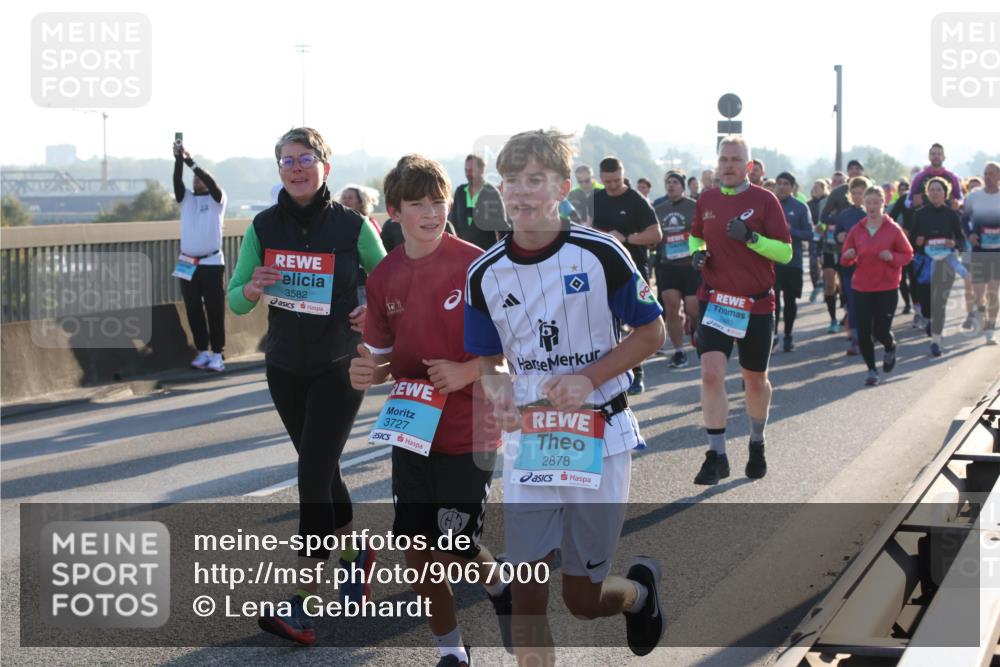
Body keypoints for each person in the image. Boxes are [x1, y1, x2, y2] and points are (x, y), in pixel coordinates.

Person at [464, 129, 666, 665]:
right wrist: (500, 393)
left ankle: (638, 594)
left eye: (535, 180)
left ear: (559, 187)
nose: (522, 192)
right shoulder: (483, 273)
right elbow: (489, 362)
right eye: (512, 181)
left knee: (582, 600)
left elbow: (652, 334)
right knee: (527, 594)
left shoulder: (601, 254)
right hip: (531, 443)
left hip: (600, 434)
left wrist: (588, 378)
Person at [227, 127, 386, 645]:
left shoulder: (354, 225)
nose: (296, 168)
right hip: (285, 366)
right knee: (322, 467)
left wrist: (373, 309)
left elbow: (390, 283)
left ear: (325, 166)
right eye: (286, 160)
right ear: (278, 169)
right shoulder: (263, 225)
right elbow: (235, 298)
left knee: (312, 471)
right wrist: (251, 286)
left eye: (305, 158)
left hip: (341, 363)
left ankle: (305, 600)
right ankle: (354, 552)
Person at [351, 155, 511, 666]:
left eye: (437, 201)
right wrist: (365, 375)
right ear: (394, 211)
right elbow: (379, 361)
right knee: (419, 553)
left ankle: (501, 585)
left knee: (457, 549)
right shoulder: (383, 278)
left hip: (472, 427)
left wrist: (467, 372)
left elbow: (516, 348)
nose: (430, 212)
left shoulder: (477, 264)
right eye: (417, 204)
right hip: (413, 429)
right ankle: (452, 653)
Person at [689, 135, 792, 485]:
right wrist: (697, 253)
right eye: (723, 160)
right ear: (717, 164)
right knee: (711, 374)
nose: (728, 165)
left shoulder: (765, 201)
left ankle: (757, 441)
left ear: (748, 166)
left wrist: (752, 238)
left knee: (754, 380)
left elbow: (786, 253)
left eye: (735, 160)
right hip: (716, 300)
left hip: (756, 304)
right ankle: (716, 454)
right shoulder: (706, 199)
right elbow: (696, 236)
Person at [593, 156, 663, 394]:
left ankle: (637, 372)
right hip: (600, 270)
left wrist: (626, 238)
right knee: (604, 321)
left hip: (633, 268)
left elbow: (656, 234)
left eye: (616, 180)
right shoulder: (595, 199)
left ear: (622, 175)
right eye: (608, 181)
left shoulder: (636, 200)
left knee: (638, 324)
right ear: (600, 178)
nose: (612, 185)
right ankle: (607, 370)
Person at [840, 186, 913, 385]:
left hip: (886, 287)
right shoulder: (858, 229)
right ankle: (872, 370)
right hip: (862, 287)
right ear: (863, 204)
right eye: (868, 202)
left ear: (883, 203)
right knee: (863, 332)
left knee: (881, 331)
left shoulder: (893, 229)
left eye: (875, 202)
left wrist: (892, 257)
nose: (871, 206)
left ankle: (890, 347)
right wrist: (848, 257)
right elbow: (845, 257)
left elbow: (908, 255)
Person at [172, 142, 227, 371]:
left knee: (214, 308)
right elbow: (177, 182)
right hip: (187, 262)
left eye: (200, 178)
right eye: (195, 179)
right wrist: (178, 160)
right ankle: (202, 350)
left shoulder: (218, 200)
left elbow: (211, 184)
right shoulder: (187, 199)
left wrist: (191, 162)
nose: (197, 181)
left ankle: (217, 353)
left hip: (211, 262)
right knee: (193, 308)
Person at [910, 176, 966, 357]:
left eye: (939, 190)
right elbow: (909, 241)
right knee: (927, 306)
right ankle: (929, 319)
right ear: (928, 192)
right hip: (924, 263)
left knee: (939, 303)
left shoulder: (951, 214)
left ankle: (936, 342)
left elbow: (961, 239)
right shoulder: (919, 214)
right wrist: (917, 241)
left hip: (945, 263)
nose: (935, 192)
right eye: (932, 189)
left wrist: (954, 243)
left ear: (945, 193)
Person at [652, 170, 700, 366]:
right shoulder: (659, 209)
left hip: (691, 265)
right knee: (671, 305)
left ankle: (696, 330)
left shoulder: (694, 207)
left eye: (675, 182)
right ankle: (679, 350)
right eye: (668, 182)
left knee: (692, 308)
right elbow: (652, 233)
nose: (671, 185)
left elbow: (703, 231)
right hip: (668, 265)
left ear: (683, 186)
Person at [831, 177, 872, 355]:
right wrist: (839, 236)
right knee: (853, 302)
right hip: (848, 265)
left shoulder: (872, 214)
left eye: (860, 193)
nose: (857, 196)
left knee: (869, 302)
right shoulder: (845, 215)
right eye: (854, 193)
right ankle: (856, 340)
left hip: (869, 265)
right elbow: (837, 234)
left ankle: (870, 334)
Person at [773, 173, 813, 351]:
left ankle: (788, 334)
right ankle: (772, 336)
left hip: (792, 262)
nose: (781, 187)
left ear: (792, 187)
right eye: (779, 183)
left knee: (790, 301)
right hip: (772, 262)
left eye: (785, 184)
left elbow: (809, 234)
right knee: (773, 302)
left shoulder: (800, 207)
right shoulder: (769, 205)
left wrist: (791, 230)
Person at [963, 161, 1000, 345]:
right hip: (979, 250)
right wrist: (969, 235)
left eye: (992, 173)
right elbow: (963, 219)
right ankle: (982, 316)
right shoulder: (974, 197)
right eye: (986, 173)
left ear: (999, 177)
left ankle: (991, 330)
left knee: (993, 292)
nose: (988, 177)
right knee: (979, 294)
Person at [448, 154, 508, 250]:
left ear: (482, 170)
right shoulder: (460, 191)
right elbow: (452, 221)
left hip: (485, 252)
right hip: (462, 251)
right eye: (466, 170)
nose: (468, 174)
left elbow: (501, 226)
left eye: (471, 170)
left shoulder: (491, 193)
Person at [906, 143, 964, 210]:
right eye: (933, 154)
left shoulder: (952, 177)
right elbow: (907, 201)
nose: (936, 156)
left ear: (944, 157)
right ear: (929, 157)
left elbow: (961, 198)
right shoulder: (919, 177)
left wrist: (958, 203)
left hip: (946, 215)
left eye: (939, 154)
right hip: (923, 215)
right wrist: (912, 203)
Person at [888, 179, 915, 317]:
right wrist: (900, 230)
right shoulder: (902, 200)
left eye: (907, 188)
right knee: (902, 276)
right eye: (901, 188)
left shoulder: (922, 198)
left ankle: (919, 306)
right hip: (902, 242)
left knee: (915, 277)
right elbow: (890, 218)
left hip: (919, 242)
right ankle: (907, 303)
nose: (904, 191)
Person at [821, 161, 864, 226]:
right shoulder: (838, 192)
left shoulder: (870, 190)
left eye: (857, 168)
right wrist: (843, 219)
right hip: (845, 232)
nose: (854, 171)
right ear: (848, 172)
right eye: (851, 169)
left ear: (862, 171)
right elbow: (824, 217)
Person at [806, 179, 829, 303]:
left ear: (824, 188)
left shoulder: (828, 201)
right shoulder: (808, 204)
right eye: (813, 187)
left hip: (826, 237)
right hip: (813, 236)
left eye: (817, 187)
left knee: (825, 263)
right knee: (813, 262)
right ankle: (817, 286)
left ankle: (828, 290)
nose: (814, 189)